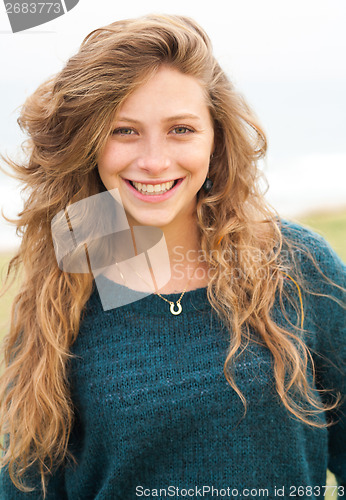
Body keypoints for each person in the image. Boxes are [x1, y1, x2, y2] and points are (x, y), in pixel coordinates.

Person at [0, 13, 345, 500]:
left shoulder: (297, 264)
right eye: (125, 131)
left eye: (181, 129)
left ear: (216, 139)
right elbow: (27, 485)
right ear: (89, 142)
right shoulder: (70, 275)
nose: (155, 161)